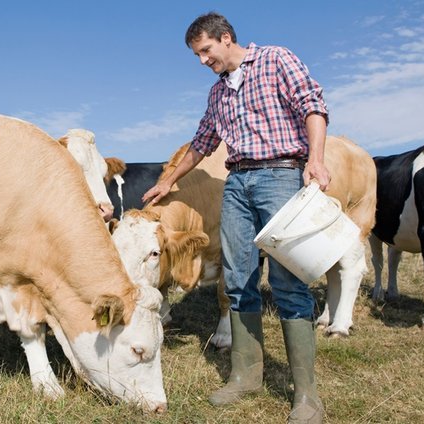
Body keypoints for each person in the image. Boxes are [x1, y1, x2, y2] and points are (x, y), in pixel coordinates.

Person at [142, 12, 329, 424]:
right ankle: (246, 375)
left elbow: (313, 105)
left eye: (206, 51)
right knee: (238, 276)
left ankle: (307, 396)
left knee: (287, 282)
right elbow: (203, 142)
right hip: (238, 183)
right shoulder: (218, 93)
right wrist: (167, 181)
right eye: (197, 55)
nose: (203, 61)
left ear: (226, 39)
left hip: (280, 175)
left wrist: (315, 158)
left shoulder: (276, 59)